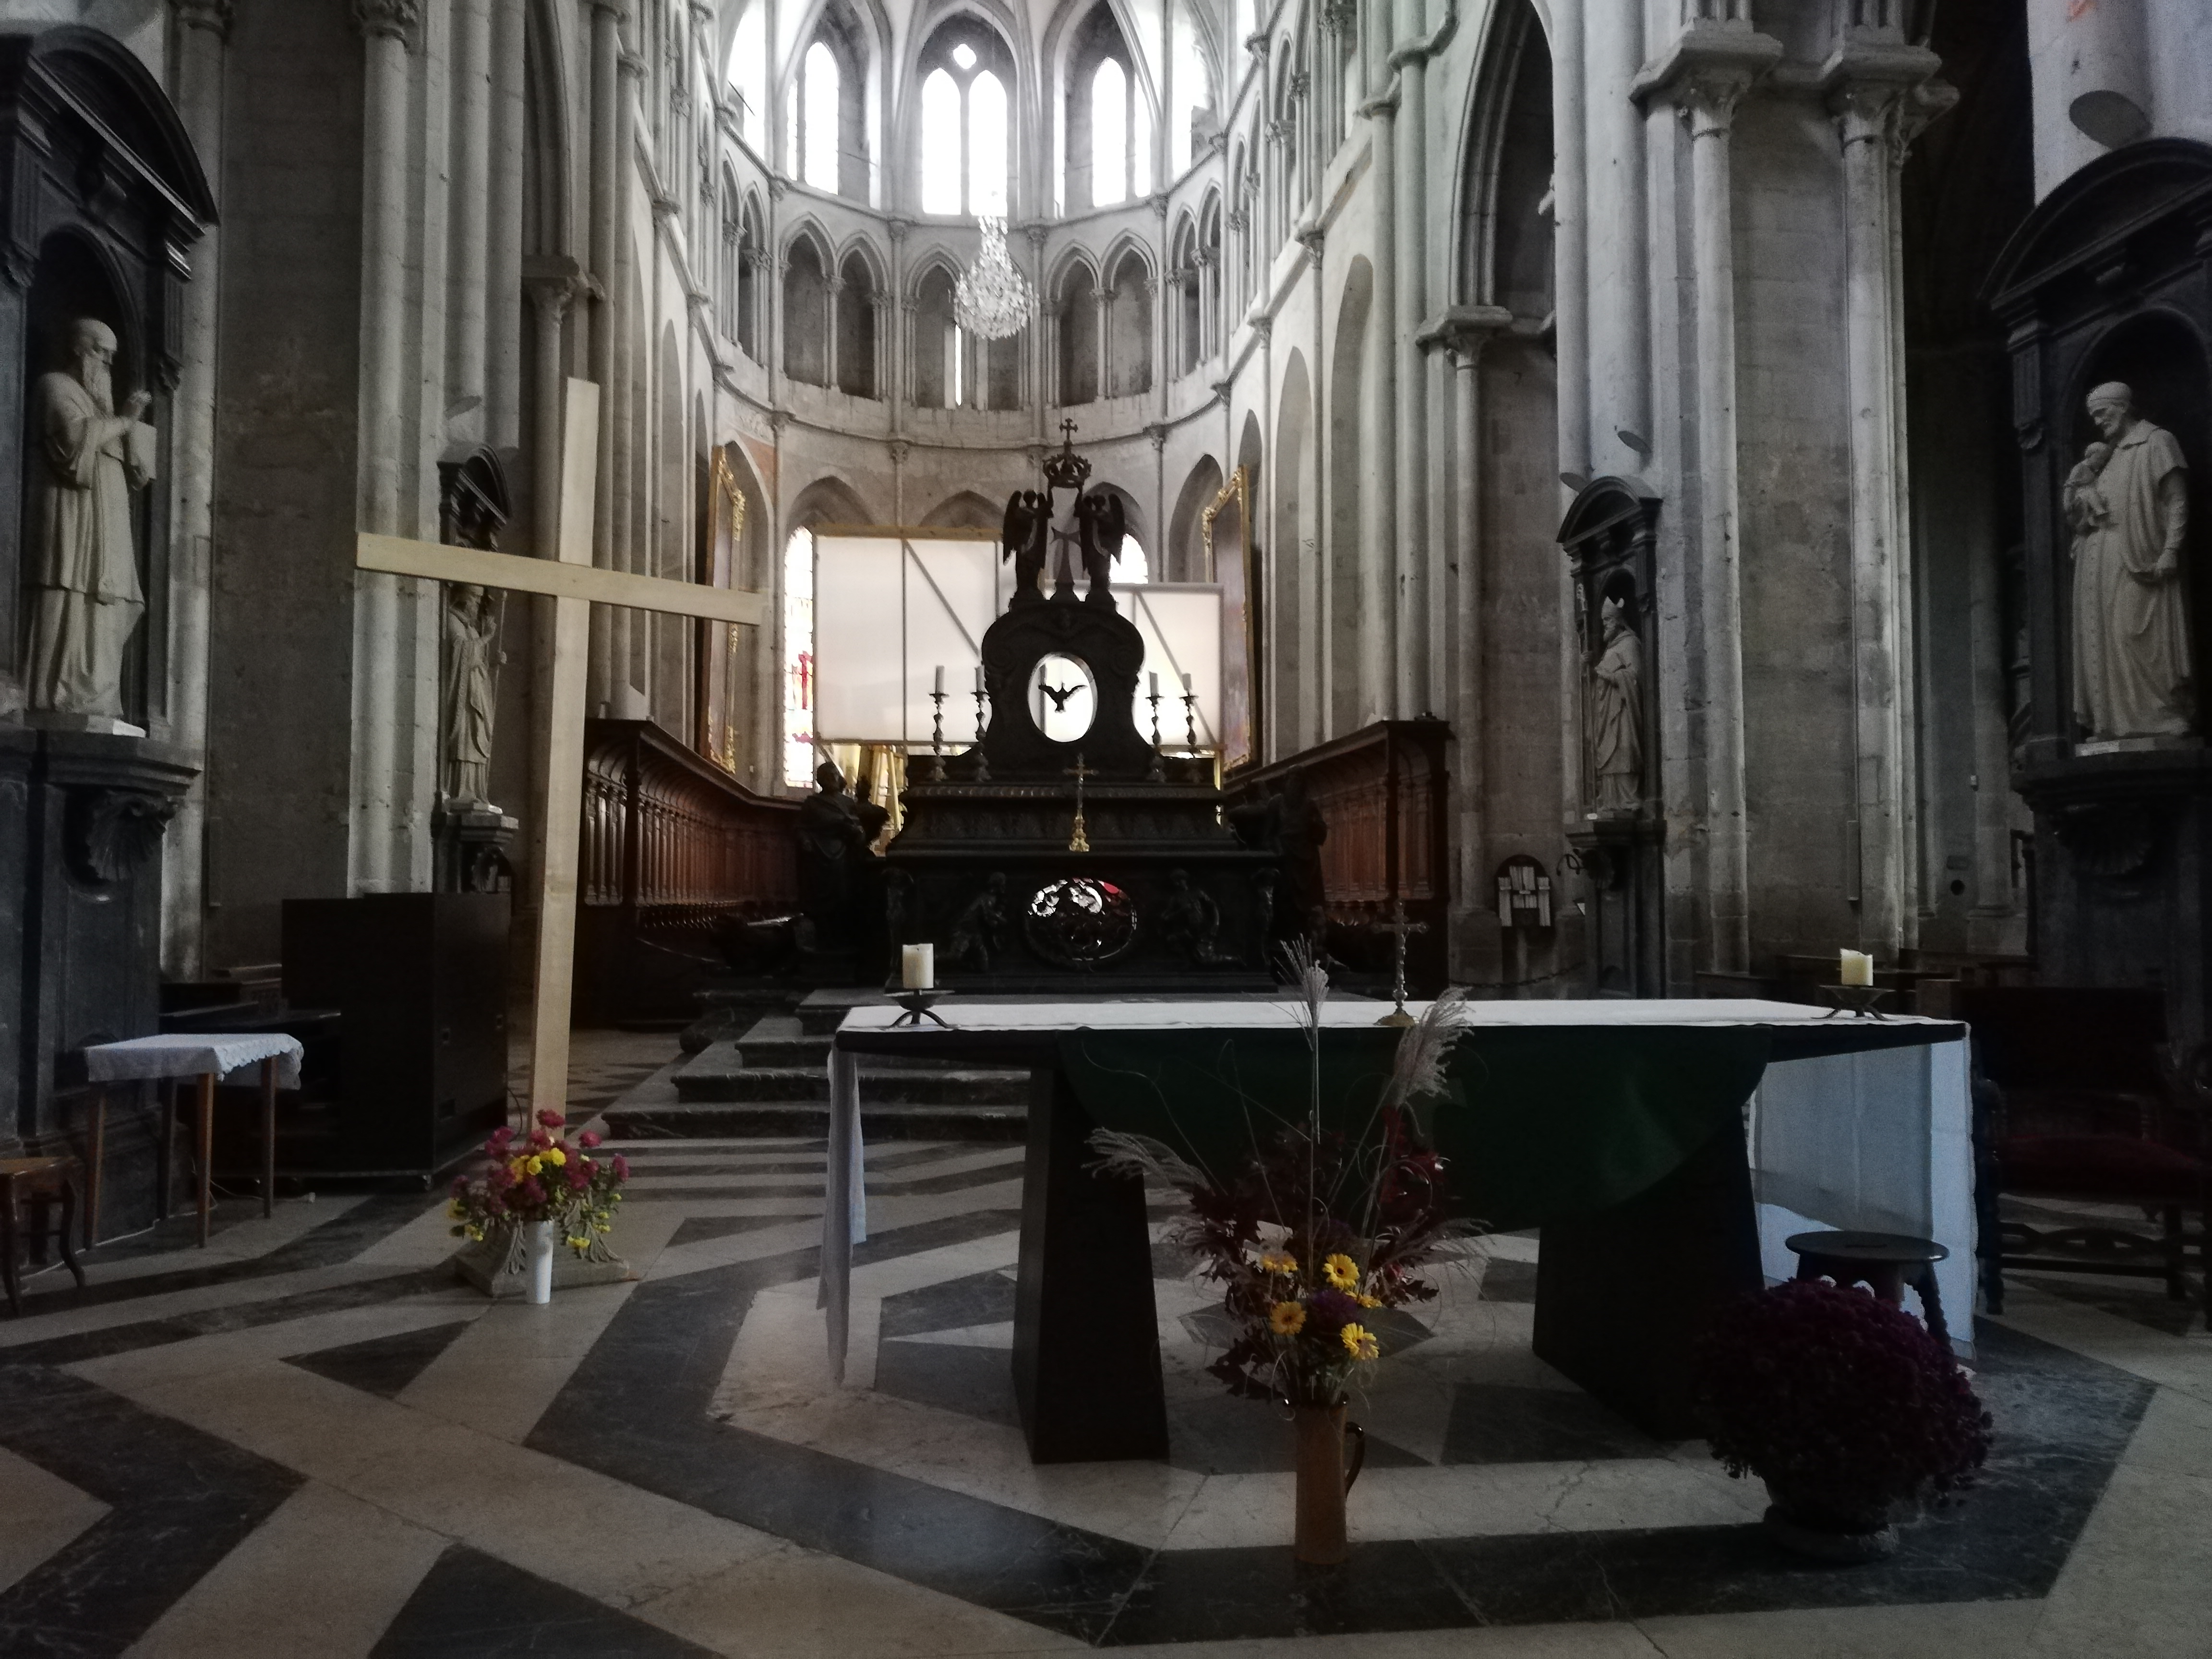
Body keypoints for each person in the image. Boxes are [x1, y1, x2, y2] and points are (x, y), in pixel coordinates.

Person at [25, 318, 155, 718]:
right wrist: (125, 421)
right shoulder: (55, 386)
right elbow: (71, 445)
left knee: (107, 602)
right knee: (66, 586)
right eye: (101, 352)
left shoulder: (104, 409)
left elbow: (131, 471)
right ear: (79, 349)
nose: (108, 364)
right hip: (70, 514)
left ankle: (96, 695)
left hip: (108, 520)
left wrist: (133, 448)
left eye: (113, 357)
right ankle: (52, 694)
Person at [2071, 382, 2192, 740]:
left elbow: (2176, 500)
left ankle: (2161, 717)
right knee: (2108, 641)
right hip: (2102, 561)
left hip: (2141, 558)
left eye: (2102, 413)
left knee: (2134, 634)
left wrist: (2170, 550)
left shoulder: (2157, 442)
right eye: (2094, 416)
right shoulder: (2108, 457)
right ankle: (2114, 723)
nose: (2098, 422)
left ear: (2123, 407)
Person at [1588, 595, 1644, 813]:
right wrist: (1587, 668)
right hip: (1606, 712)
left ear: (1619, 621)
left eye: (1608, 620)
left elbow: (1635, 677)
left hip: (1623, 712)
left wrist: (1612, 677)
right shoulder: (1610, 649)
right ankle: (1609, 800)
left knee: (1623, 750)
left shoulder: (1630, 644)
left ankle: (1628, 798)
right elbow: (1596, 681)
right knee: (1608, 754)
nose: (1605, 625)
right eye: (1603, 621)